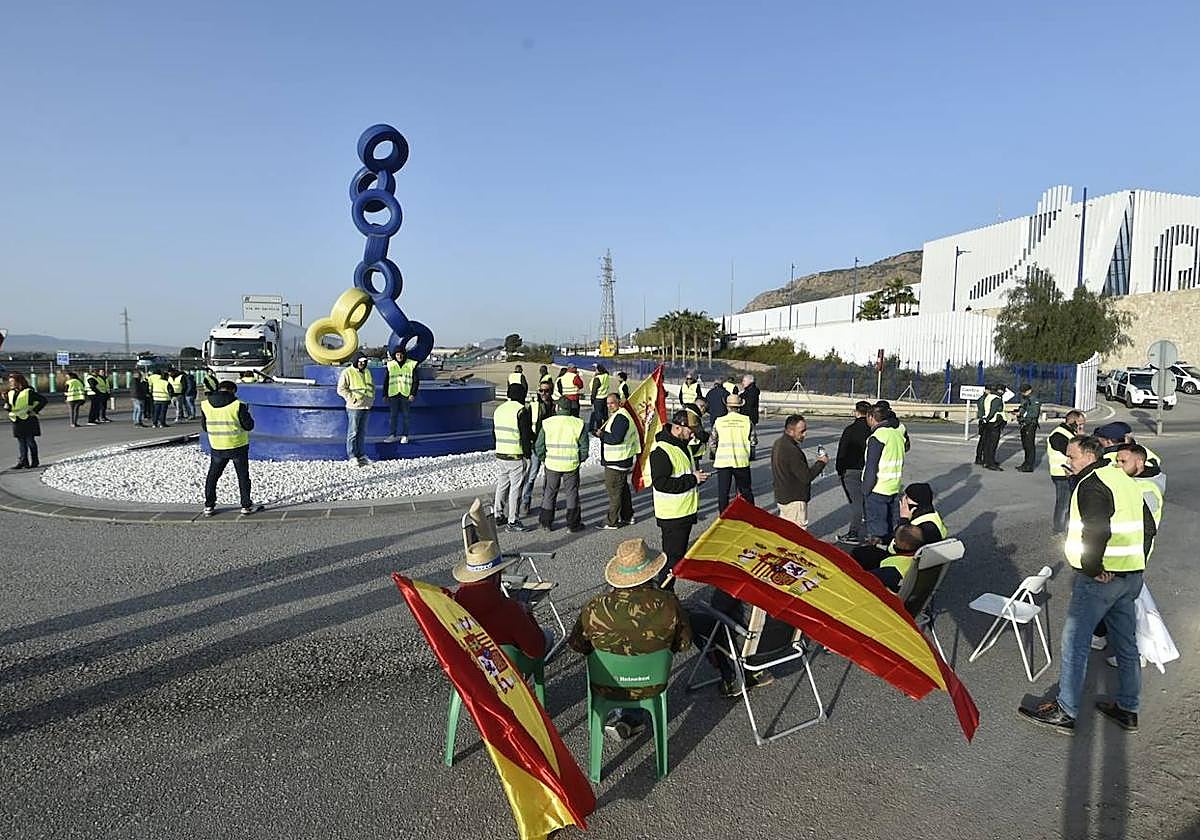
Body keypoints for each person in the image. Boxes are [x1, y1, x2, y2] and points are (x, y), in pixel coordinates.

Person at [1018, 435, 1154, 734]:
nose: (1068, 461)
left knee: (1075, 643)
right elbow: (1149, 527)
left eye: (1073, 456)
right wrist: (1135, 566)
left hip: (1100, 581)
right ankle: (1128, 708)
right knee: (1126, 644)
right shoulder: (1123, 480)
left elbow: (1096, 529)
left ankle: (1066, 709)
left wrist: (1093, 568)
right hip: (1129, 577)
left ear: (1090, 457)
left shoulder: (1092, 485)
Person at [568, 538, 692, 740]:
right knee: (639, 664)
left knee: (615, 665)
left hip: (606, 684)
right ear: (650, 571)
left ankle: (623, 715)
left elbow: (578, 645)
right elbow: (684, 644)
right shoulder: (669, 603)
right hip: (652, 684)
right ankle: (631, 716)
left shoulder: (594, 607)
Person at [453, 540, 547, 660]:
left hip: (474, 665)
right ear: (496, 576)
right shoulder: (510, 609)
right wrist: (527, 613)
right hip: (509, 667)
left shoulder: (455, 604)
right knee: (548, 635)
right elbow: (536, 650)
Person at [649, 410, 709, 586]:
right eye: (690, 431)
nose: (692, 435)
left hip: (684, 512)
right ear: (678, 427)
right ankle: (665, 594)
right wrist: (692, 479)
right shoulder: (662, 450)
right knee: (671, 561)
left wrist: (696, 479)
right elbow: (661, 483)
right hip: (672, 515)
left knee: (676, 558)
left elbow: (681, 474)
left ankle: (666, 592)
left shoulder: (683, 445)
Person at [689, 587, 780, 697]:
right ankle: (757, 672)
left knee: (692, 619)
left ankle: (731, 677)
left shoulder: (742, 580)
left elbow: (718, 606)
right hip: (782, 645)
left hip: (747, 646)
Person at [199, 380, 262, 516]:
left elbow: (205, 427)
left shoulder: (205, 405)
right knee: (243, 477)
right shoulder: (238, 405)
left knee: (213, 476)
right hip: (237, 446)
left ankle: (209, 506)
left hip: (217, 446)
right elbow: (249, 426)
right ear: (232, 390)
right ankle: (246, 506)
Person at [852, 482, 947, 569]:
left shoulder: (927, 526)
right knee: (863, 551)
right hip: (907, 558)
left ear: (915, 503)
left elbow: (903, 545)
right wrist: (882, 540)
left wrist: (904, 519)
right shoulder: (929, 515)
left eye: (907, 498)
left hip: (900, 562)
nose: (903, 501)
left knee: (859, 555)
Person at [535, 398, 588, 532]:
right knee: (572, 493)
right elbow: (584, 448)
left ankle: (546, 523)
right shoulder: (578, 423)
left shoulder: (547, 423)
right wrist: (579, 459)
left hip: (552, 464)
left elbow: (539, 446)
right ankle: (573, 525)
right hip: (571, 464)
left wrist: (544, 458)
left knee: (549, 493)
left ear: (557, 408)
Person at [771, 414, 827, 528]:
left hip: (783, 496)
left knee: (785, 531)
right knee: (796, 534)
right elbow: (806, 477)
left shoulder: (779, 443)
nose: (805, 434)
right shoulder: (791, 450)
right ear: (791, 431)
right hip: (794, 499)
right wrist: (821, 463)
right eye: (802, 431)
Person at [493, 381, 533, 533]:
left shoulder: (499, 410)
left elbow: (494, 433)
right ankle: (513, 520)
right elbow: (525, 435)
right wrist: (528, 454)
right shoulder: (521, 410)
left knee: (502, 485)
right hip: (516, 455)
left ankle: (498, 514)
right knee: (516, 489)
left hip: (501, 453)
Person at [862, 406, 906, 543]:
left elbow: (871, 467)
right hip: (894, 486)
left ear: (871, 418)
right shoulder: (897, 434)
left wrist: (865, 489)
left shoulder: (877, 437)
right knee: (890, 525)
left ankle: (876, 556)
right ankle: (889, 550)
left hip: (878, 488)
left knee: (877, 529)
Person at [596, 393, 638, 529]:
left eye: (612, 403)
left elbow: (615, 438)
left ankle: (611, 521)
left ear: (619, 402)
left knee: (614, 491)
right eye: (608, 404)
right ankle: (628, 516)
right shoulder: (620, 415)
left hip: (617, 461)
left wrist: (602, 435)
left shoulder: (621, 417)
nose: (609, 406)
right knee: (622, 489)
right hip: (620, 459)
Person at [835, 401, 873, 545]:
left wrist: (839, 470)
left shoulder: (849, 430)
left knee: (856, 503)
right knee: (868, 501)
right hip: (868, 470)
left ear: (856, 412)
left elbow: (842, 452)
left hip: (851, 471)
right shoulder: (872, 430)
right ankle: (871, 530)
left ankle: (854, 533)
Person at [711, 393, 754, 512]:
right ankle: (750, 515)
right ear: (739, 407)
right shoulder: (747, 421)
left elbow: (712, 442)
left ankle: (723, 517)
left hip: (723, 462)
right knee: (746, 491)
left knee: (723, 493)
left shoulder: (719, 421)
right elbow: (753, 441)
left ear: (727, 407)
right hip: (741, 461)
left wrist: (717, 454)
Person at [520, 381, 556, 516]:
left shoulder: (555, 407)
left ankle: (547, 502)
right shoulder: (533, 406)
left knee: (550, 476)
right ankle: (525, 502)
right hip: (536, 445)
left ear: (551, 391)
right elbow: (526, 425)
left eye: (546, 391)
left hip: (551, 446)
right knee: (531, 475)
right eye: (541, 391)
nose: (544, 394)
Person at [1047, 409, 1085, 534]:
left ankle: (1067, 526)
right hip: (1062, 473)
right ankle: (1058, 529)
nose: (1081, 426)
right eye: (1080, 423)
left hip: (1070, 472)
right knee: (1063, 503)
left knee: (1069, 502)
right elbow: (1072, 452)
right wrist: (1080, 437)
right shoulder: (1058, 435)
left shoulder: (1069, 433)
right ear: (1072, 421)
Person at [854, 524, 924, 592]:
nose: (894, 541)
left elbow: (864, 580)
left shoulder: (893, 570)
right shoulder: (922, 555)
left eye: (896, 539)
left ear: (904, 545)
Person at [337, 354, 376, 466]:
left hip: (366, 406)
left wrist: (371, 399)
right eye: (360, 362)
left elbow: (371, 387)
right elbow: (341, 389)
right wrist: (351, 398)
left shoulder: (367, 372)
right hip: (354, 407)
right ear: (355, 361)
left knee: (362, 432)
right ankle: (352, 455)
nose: (362, 364)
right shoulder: (347, 372)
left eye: (364, 362)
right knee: (353, 432)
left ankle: (361, 454)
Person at [6, 372, 47, 469]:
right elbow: (11, 406)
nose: (11, 383)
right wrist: (7, 407)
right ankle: (23, 462)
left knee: (30, 441)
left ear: (19, 381)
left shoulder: (29, 391)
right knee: (21, 442)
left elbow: (43, 400)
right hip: (16, 419)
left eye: (12, 381)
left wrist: (35, 411)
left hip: (28, 419)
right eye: (10, 382)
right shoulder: (10, 392)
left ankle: (35, 461)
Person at [385, 347, 419, 444]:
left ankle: (405, 435)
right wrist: (385, 394)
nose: (399, 356)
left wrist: (413, 393)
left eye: (401, 354)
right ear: (395, 355)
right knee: (393, 416)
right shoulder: (390, 365)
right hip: (393, 393)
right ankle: (392, 435)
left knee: (406, 416)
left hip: (406, 394)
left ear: (404, 354)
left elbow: (416, 381)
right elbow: (386, 380)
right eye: (397, 354)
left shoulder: (411, 364)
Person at [975, 383, 1006, 470]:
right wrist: (987, 419)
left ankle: (986, 461)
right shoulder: (996, 398)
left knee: (987, 443)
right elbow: (993, 410)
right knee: (990, 444)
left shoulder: (989, 397)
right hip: (993, 422)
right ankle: (989, 462)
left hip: (988, 422)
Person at [1012, 384, 1041, 472]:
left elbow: (1034, 414)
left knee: (1029, 446)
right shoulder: (1025, 399)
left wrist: (1021, 415)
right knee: (1025, 445)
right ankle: (1026, 463)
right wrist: (1018, 413)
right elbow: (1023, 408)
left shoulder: (1034, 400)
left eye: (1024, 391)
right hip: (1024, 424)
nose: (1023, 393)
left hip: (1030, 424)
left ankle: (1029, 466)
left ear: (1029, 390)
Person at [740, 374, 761, 460]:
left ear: (750, 381)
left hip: (749, 417)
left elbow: (748, 403)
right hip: (749, 417)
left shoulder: (752, 391)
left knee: (750, 437)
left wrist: (741, 397)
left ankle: (751, 454)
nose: (742, 383)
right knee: (748, 436)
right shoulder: (749, 391)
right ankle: (748, 453)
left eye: (744, 381)